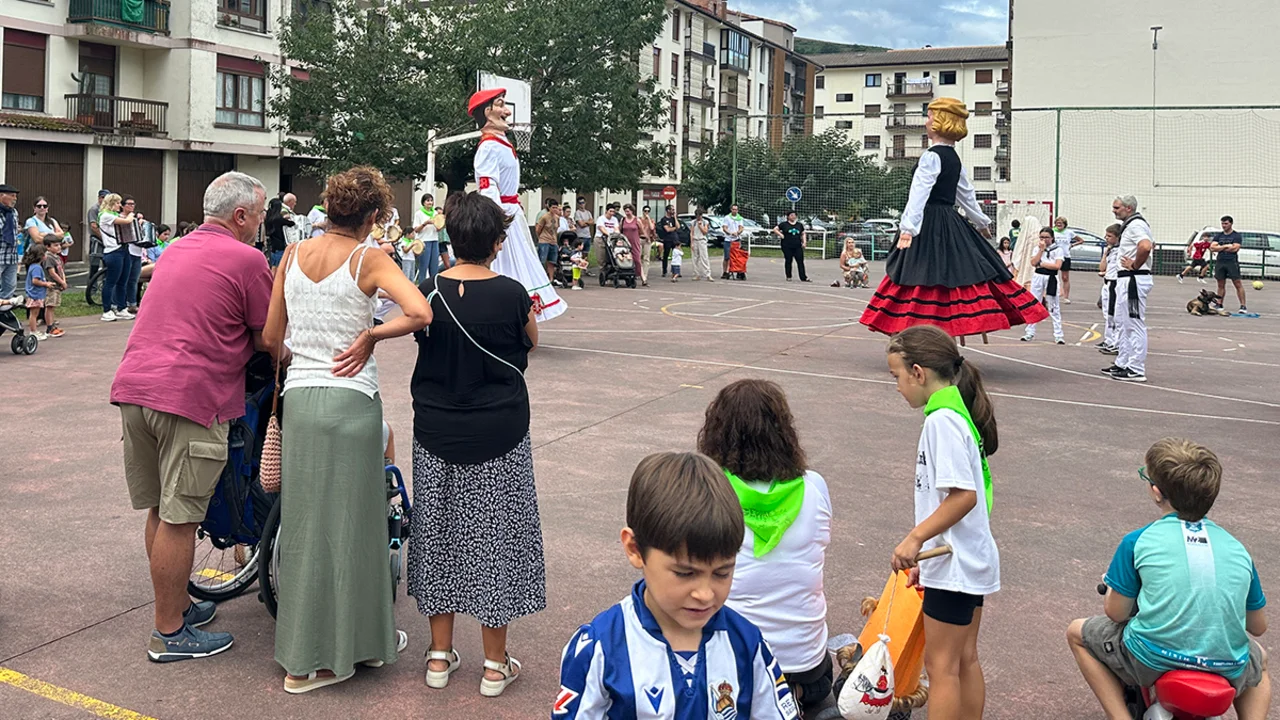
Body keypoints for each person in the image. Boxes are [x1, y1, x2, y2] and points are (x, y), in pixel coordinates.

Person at [263, 166, 429, 694]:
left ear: (329, 207)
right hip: (352, 401)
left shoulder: (291, 255)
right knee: (359, 525)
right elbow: (419, 312)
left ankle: (305, 656)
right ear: (373, 216)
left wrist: (306, 354)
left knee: (307, 527)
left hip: (301, 401)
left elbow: (271, 336)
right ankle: (358, 643)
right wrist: (372, 336)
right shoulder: (369, 258)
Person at [109, 171, 275, 663]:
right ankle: (169, 632)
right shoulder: (247, 259)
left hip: (136, 388)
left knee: (160, 509)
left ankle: (178, 604)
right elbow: (268, 337)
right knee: (182, 519)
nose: (262, 225)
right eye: (260, 215)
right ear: (240, 216)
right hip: (190, 397)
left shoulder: (175, 249)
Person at [407, 191, 545, 698]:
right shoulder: (512, 293)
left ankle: (438, 656)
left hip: (436, 429)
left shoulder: (428, 291)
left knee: (437, 534)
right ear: (496, 243)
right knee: (496, 541)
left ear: (451, 236)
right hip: (499, 432)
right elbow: (531, 341)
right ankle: (493, 664)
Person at [554, 451, 801, 720]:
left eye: (722, 573)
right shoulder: (600, 647)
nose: (705, 594)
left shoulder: (747, 643)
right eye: (685, 573)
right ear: (635, 549)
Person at [1066, 438, 1270, 720]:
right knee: (1260, 661)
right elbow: (1258, 626)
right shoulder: (1237, 549)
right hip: (1226, 665)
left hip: (1151, 659)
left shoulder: (1137, 541)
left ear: (1156, 492)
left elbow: (1116, 612)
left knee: (1077, 633)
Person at [699, 380, 833, 714]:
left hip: (736, 663)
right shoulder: (814, 487)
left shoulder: (711, 493)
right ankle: (792, 697)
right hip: (808, 666)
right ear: (783, 431)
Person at [886, 325, 1000, 720]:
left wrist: (915, 538)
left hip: (956, 563)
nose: (897, 387)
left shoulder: (942, 421)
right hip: (962, 557)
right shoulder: (953, 414)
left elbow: (964, 496)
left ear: (918, 373)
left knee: (941, 667)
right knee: (964, 659)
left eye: (897, 376)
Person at [860, 98, 1046, 337]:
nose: (926, 122)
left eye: (929, 117)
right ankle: (946, 325)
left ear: (940, 121)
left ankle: (919, 326)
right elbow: (966, 194)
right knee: (954, 271)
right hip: (949, 222)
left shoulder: (931, 156)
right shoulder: (954, 159)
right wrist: (981, 222)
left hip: (928, 222)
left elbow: (919, 193)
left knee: (920, 271)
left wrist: (908, 228)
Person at [469, 88, 566, 322]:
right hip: (503, 214)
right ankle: (499, 315)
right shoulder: (489, 146)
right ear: (487, 111)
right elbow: (487, 186)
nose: (507, 111)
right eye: (501, 105)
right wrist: (497, 220)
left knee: (518, 266)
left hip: (511, 213)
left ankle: (513, 314)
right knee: (504, 265)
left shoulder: (500, 143)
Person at [1106, 195, 1154, 383]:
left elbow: (1146, 246)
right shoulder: (1131, 226)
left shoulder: (1135, 225)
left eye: (1116, 207)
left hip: (1133, 279)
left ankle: (1136, 368)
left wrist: (1134, 264)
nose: (1114, 211)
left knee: (1134, 324)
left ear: (1128, 208)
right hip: (1126, 279)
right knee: (1123, 322)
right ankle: (1123, 362)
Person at [97, 193, 138, 322]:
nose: (120, 206)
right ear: (111, 203)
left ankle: (121, 308)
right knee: (111, 282)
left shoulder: (114, 215)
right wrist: (131, 214)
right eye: (118, 203)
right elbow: (127, 221)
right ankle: (107, 310)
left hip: (123, 249)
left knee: (123, 281)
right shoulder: (105, 215)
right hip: (113, 251)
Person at [1021, 228, 1065, 344]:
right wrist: (1041, 250)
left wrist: (1043, 264)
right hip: (1038, 276)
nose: (1044, 240)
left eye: (1046, 237)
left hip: (1051, 277)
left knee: (1053, 306)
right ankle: (1029, 332)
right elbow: (1033, 263)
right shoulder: (1037, 249)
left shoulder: (1058, 249)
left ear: (1052, 238)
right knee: (1034, 303)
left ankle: (1058, 334)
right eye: (1041, 237)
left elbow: (1057, 266)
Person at [118, 196, 149, 316]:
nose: (132, 206)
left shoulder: (136, 218)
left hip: (137, 251)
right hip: (128, 251)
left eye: (133, 204)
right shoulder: (122, 218)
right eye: (129, 204)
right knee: (124, 279)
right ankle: (122, 303)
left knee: (134, 279)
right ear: (122, 206)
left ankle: (132, 303)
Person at [1211, 215, 1246, 312]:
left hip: (1231, 262)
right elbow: (1212, 248)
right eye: (1222, 223)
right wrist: (1226, 246)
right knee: (1220, 284)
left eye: (1226, 223)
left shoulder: (1236, 236)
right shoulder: (1219, 236)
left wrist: (1220, 247)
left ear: (1231, 224)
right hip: (1220, 262)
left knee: (1237, 283)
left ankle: (1243, 306)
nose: (1224, 225)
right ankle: (1219, 304)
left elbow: (1235, 248)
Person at [1098, 224, 1122, 356]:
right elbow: (1102, 267)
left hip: (1115, 282)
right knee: (1107, 313)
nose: (1106, 238)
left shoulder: (1121, 250)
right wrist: (1105, 253)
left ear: (1118, 237)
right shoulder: (1111, 250)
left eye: (1110, 236)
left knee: (1114, 314)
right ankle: (1108, 340)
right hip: (1107, 282)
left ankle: (1116, 342)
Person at [22, 242, 51, 340]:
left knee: (34, 314)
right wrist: (46, 284)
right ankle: (33, 332)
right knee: (34, 314)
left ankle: (34, 331)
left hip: (35, 294)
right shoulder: (37, 268)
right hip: (35, 295)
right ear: (41, 256)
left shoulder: (33, 266)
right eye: (45, 253)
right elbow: (35, 281)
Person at [40, 235, 68, 337]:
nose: (59, 247)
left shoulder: (57, 257)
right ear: (47, 247)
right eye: (55, 245)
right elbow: (52, 273)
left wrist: (64, 281)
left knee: (53, 306)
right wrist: (61, 282)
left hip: (57, 285)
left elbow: (61, 271)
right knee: (49, 306)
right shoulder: (48, 258)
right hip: (51, 286)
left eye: (59, 245)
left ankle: (52, 326)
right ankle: (49, 327)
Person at [411, 194, 441, 284]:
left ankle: (434, 286)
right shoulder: (419, 213)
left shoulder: (435, 214)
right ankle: (422, 286)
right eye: (427, 201)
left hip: (434, 240)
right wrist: (425, 223)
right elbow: (416, 229)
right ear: (423, 202)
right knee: (423, 267)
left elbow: (438, 228)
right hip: (424, 241)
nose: (430, 203)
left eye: (431, 200)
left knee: (434, 267)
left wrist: (440, 224)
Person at [1053, 217, 1084, 303]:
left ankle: (1066, 297)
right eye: (1057, 223)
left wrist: (1072, 245)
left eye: (1061, 223)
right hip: (1054, 256)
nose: (1059, 224)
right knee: (1052, 276)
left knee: (1065, 277)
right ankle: (1053, 294)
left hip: (1065, 256)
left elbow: (1081, 240)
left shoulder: (1069, 232)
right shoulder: (1052, 232)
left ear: (1065, 224)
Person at [773, 210, 809, 283]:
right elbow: (775, 229)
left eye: (794, 215)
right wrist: (781, 235)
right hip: (787, 246)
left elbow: (803, 233)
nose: (793, 216)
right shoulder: (784, 224)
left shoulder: (799, 225)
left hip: (797, 245)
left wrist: (804, 242)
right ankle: (788, 276)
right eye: (791, 215)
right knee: (789, 260)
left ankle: (803, 277)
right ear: (788, 216)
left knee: (800, 261)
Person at [0, 183, 20, 300]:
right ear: (1, 196)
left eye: (15, 196)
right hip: (0, 253)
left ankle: (5, 307)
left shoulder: (13, 212)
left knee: (10, 285)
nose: (15, 199)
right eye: (12, 196)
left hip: (11, 255)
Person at [534, 198, 561, 285]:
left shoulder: (557, 218)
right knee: (542, 260)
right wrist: (540, 238)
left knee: (552, 261)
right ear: (549, 208)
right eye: (553, 207)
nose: (555, 209)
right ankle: (540, 278)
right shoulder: (544, 217)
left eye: (556, 207)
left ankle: (551, 278)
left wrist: (555, 241)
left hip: (553, 241)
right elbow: (538, 229)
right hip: (544, 240)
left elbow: (556, 229)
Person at [619, 204, 646, 285]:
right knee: (627, 259)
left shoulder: (637, 220)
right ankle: (628, 275)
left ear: (632, 211)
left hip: (634, 242)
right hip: (625, 242)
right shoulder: (623, 220)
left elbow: (642, 231)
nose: (627, 213)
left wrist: (639, 236)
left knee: (637, 260)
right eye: (625, 211)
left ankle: (642, 277)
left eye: (628, 211)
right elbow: (620, 230)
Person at [263, 197, 293, 268]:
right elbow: (292, 223)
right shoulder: (279, 219)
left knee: (273, 266)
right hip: (280, 246)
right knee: (279, 267)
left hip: (271, 246)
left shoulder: (268, 218)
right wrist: (288, 217)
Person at [87, 188, 109, 277]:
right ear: (99, 198)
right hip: (97, 239)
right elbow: (94, 227)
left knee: (107, 264)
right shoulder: (94, 209)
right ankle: (92, 284)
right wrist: (104, 238)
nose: (104, 200)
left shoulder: (109, 210)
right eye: (102, 197)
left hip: (107, 240)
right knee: (94, 264)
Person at [657, 205, 680, 278]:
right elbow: (667, 229)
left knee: (676, 255)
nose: (673, 211)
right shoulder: (664, 219)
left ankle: (676, 271)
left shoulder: (673, 219)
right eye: (672, 210)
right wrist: (674, 228)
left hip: (674, 239)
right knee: (666, 255)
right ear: (668, 210)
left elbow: (678, 227)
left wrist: (675, 218)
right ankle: (664, 271)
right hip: (667, 239)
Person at [690, 209, 713, 281]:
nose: (698, 217)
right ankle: (696, 274)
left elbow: (705, 232)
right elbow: (691, 233)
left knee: (704, 258)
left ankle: (708, 274)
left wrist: (700, 226)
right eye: (697, 216)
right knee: (695, 258)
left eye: (699, 215)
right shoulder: (693, 222)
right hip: (695, 240)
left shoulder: (705, 222)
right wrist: (691, 243)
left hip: (702, 240)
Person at [722, 204, 744, 280]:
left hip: (736, 239)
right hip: (728, 240)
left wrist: (737, 232)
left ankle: (736, 270)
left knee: (736, 257)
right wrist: (730, 233)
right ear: (731, 209)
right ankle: (725, 272)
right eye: (733, 209)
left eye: (736, 209)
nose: (735, 211)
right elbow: (724, 228)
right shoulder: (727, 217)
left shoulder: (740, 218)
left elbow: (741, 228)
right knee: (727, 257)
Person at [573, 196, 594, 266]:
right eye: (580, 203)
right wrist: (588, 222)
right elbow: (581, 224)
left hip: (588, 236)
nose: (582, 204)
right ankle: (579, 267)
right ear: (578, 204)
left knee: (586, 253)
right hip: (580, 236)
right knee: (579, 253)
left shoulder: (588, 212)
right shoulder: (577, 213)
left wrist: (585, 222)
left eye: (583, 202)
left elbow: (592, 222)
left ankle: (585, 267)